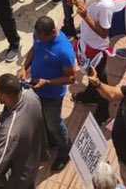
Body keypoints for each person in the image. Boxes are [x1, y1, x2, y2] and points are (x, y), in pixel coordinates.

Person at [20, 16, 75, 174]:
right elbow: (35, 49)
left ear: (52, 32)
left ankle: (64, 152)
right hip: (36, 87)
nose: (40, 40)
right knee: (42, 119)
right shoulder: (39, 36)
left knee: (54, 124)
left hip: (52, 95)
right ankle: (51, 142)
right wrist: (24, 67)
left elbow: (71, 77)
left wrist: (48, 82)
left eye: (43, 37)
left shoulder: (64, 50)